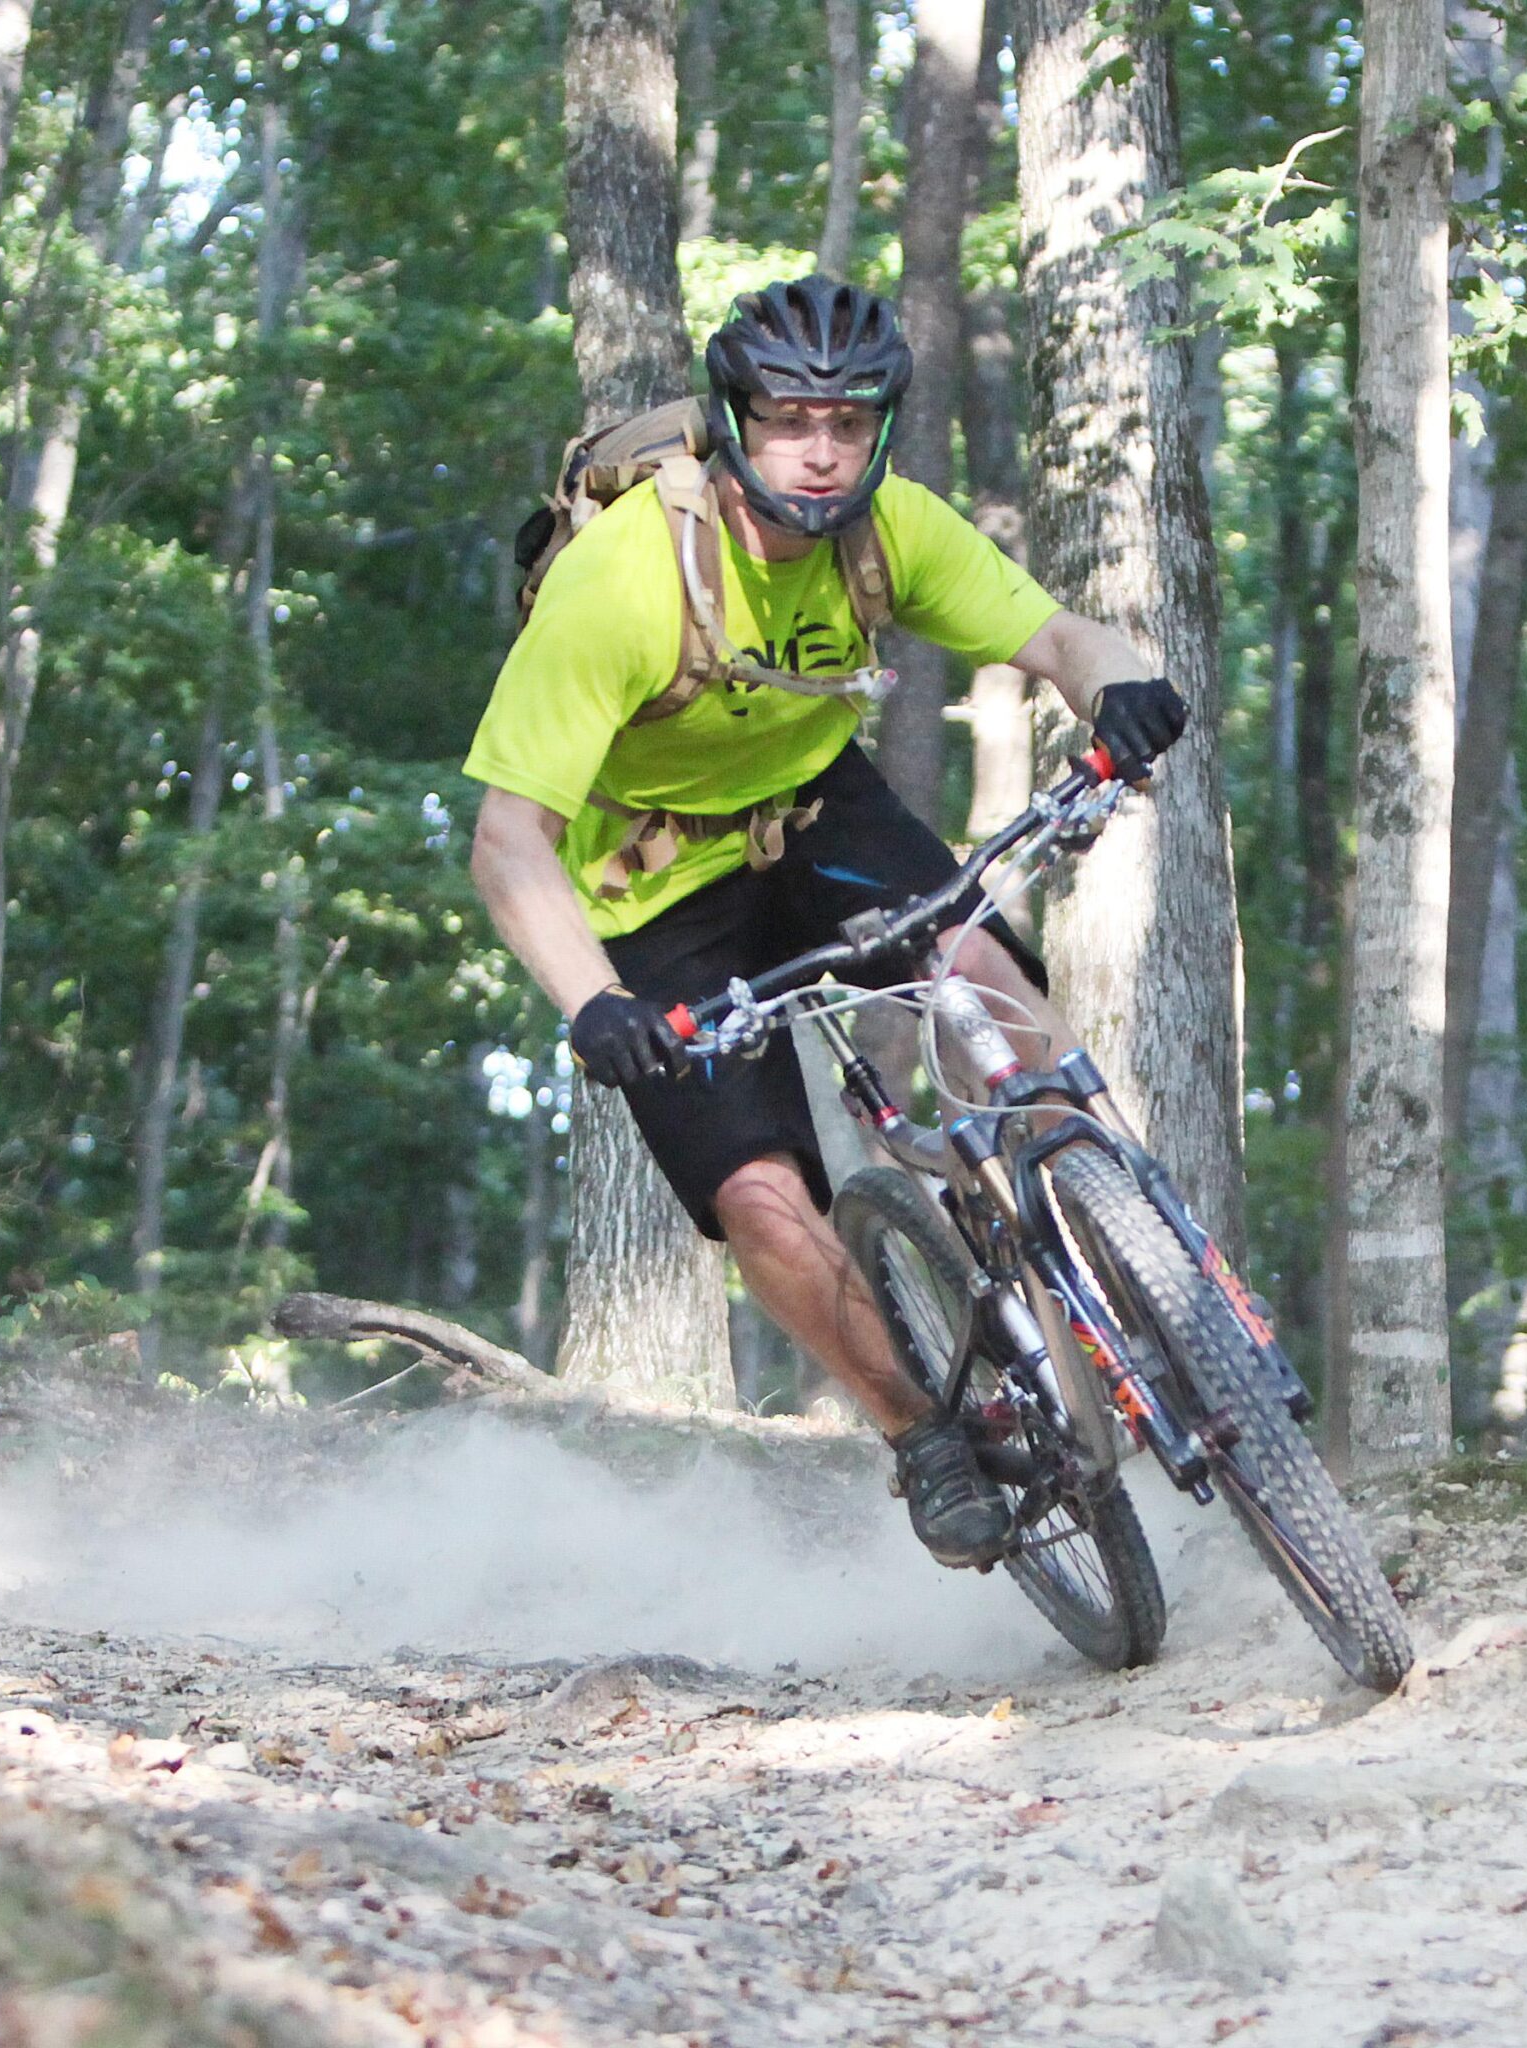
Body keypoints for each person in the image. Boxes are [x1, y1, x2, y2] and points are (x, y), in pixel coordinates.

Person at [464, 277, 1188, 1569]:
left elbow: (1060, 636)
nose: (821, 449)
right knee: (759, 1196)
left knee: (983, 977)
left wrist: (1121, 690)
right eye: (792, 418)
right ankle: (925, 1436)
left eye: (848, 425)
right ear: (736, 420)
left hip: (811, 815)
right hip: (654, 883)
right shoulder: (625, 583)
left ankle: (1120, 1247)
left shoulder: (886, 531)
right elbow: (509, 842)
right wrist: (596, 1005)